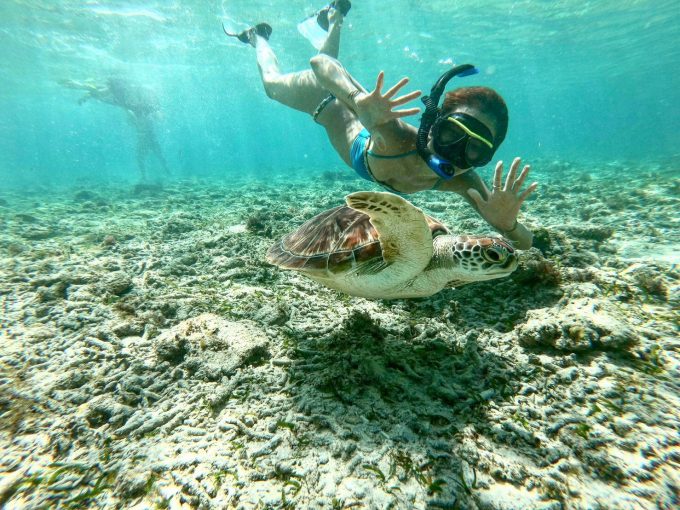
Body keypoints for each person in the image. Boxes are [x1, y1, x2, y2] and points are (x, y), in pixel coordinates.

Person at [225, 2, 538, 250]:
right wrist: (357, 99)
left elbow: (525, 243)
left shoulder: (463, 180)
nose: (455, 154)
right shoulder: (394, 133)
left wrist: (508, 226)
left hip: (339, 92)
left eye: (476, 149)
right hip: (321, 99)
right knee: (272, 85)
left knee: (328, 57)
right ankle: (257, 36)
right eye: (452, 133)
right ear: (433, 123)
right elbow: (319, 66)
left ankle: (334, 15)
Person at [60, 77, 170, 180]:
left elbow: (126, 107)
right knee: (146, 155)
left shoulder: (135, 99)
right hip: (142, 131)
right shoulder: (124, 95)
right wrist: (85, 91)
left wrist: (85, 92)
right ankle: (150, 175)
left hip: (146, 131)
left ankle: (160, 172)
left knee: (153, 154)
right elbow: (104, 94)